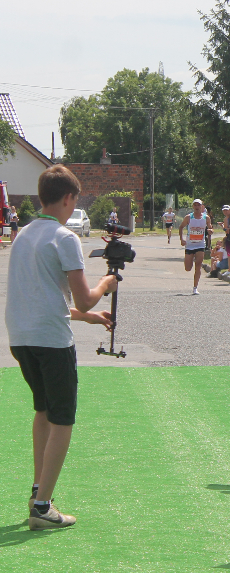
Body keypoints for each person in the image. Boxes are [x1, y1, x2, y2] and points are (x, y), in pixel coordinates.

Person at [6, 165, 117, 530]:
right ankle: (42, 507)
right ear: (68, 198)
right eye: (74, 201)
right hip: (52, 342)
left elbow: (42, 298)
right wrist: (107, 283)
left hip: (21, 338)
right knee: (63, 419)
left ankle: (39, 489)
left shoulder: (22, 235)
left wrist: (88, 318)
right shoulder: (64, 237)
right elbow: (85, 298)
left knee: (43, 411)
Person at [179, 199, 212, 295]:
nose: (197, 207)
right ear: (193, 206)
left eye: (199, 205)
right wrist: (181, 239)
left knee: (198, 266)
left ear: (202, 206)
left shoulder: (206, 218)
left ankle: (195, 288)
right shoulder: (189, 217)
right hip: (190, 245)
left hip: (200, 244)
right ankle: (190, 260)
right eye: (195, 205)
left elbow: (210, 228)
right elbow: (181, 227)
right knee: (188, 268)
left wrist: (210, 231)